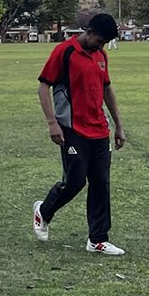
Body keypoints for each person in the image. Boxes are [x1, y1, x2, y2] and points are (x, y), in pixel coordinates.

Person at [32, 13, 127, 255]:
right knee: (74, 182)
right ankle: (43, 211)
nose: (101, 46)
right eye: (100, 40)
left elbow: (107, 89)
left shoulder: (101, 56)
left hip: (99, 130)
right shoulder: (65, 52)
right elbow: (44, 86)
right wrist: (52, 123)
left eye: (105, 43)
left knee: (101, 183)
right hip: (72, 129)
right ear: (90, 31)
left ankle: (97, 239)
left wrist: (118, 125)